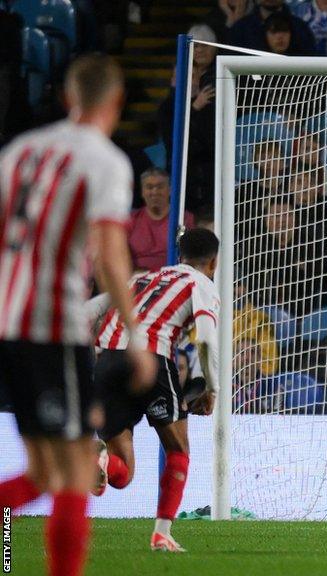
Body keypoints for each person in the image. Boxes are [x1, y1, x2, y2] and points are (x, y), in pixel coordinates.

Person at [0, 54, 157, 576]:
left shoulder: (19, 152)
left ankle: (1, 552)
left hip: (10, 325)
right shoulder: (104, 160)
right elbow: (112, 253)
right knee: (73, 474)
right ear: (115, 103)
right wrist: (135, 334)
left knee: (45, 473)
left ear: (68, 97)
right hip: (52, 326)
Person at [90, 229, 221, 552]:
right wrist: (212, 387)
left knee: (122, 475)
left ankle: (101, 459)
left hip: (107, 359)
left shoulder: (143, 278)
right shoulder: (201, 284)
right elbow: (205, 336)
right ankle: (161, 534)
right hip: (151, 357)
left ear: (180, 256)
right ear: (213, 263)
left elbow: (88, 311)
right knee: (178, 450)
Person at [128, 168, 195, 271]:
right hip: (136, 279)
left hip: (173, 279)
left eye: (160, 187)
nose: (154, 192)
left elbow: (191, 258)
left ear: (169, 190)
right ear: (142, 192)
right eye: (149, 187)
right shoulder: (131, 220)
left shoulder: (184, 218)